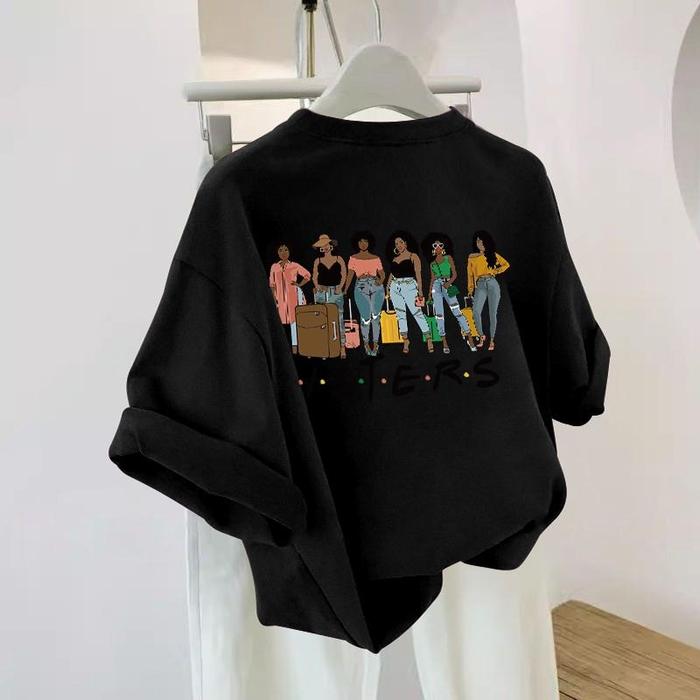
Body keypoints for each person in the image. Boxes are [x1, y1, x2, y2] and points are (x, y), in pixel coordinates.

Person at [423, 233, 475, 353]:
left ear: (443, 247)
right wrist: (429, 294)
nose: (438, 247)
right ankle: (444, 342)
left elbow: (455, 274)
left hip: (448, 283)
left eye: (440, 245)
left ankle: (470, 337)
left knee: (457, 312)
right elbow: (432, 279)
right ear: (433, 249)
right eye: (435, 245)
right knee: (439, 315)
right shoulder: (432, 264)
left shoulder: (448, 258)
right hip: (436, 286)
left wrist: (449, 282)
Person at [385, 231, 432, 354]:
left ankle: (428, 338)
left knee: (417, 312)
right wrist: (388, 287)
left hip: (409, 286)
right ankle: (406, 340)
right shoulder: (395, 258)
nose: (399, 245)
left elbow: (418, 275)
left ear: (405, 243)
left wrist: (420, 291)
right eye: (396, 243)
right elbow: (392, 274)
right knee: (400, 314)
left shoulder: (413, 256)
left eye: (400, 242)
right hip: (395, 287)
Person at [467, 230, 511, 351]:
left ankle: (491, 340)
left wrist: (495, 271)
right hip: (480, 284)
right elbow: (470, 274)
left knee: (493, 313)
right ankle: (481, 336)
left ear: (486, 242)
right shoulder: (472, 257)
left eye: (482, 241)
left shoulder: (493, 255)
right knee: (476, 311)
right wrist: (470, 289)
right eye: (477, 241)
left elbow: (506, 264)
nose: (479, 243)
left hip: (492, 283)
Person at [344, 231, 385, 356]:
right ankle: (366, 343)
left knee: (376, 316)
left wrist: (380, 280)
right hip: (361, 286)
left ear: (369, 243)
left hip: (376, 286)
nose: (363, 244)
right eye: (360, 241)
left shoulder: (375, 258)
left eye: (365, 241)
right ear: (356, 243)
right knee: (365, 317)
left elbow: (382, 274)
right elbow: (350, 275)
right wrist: (345, 289)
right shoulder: (353, 258)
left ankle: (376, 344)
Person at [268, 243, 311, 354]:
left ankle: (295, 349)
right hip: (279, 299)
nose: (283, 252)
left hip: (293, 298)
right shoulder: (274, 267)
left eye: (286, 250)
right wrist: (273, 299)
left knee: (294, 323)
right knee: (279, 324)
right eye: (280, 250)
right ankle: (282, 350)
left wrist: (299, 284)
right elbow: (272, 284)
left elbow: (307, 275)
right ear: (277, 252)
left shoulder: (294, 265)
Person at [311, 234, 348, 359]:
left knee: (339, 318)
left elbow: (344, 273)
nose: (325, 247)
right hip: (322, 292)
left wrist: (340, 286)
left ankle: (342, 346)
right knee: (321, 320)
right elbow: (314, 276)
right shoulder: (318, 261)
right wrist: (317, 286)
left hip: (336, 291)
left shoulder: (338, 259)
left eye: (327, 244)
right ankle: (324, 347)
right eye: (322, 245)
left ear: (331, 245)